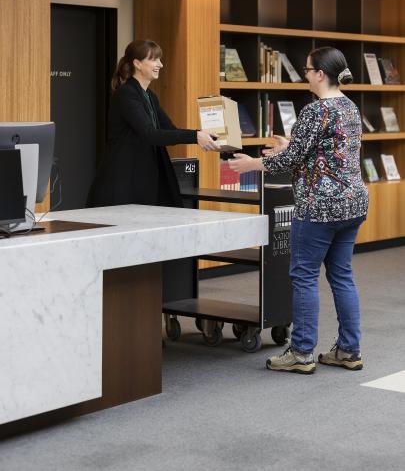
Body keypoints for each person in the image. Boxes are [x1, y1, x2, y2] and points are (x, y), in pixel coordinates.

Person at [229, 46, 368, 375]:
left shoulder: (314, 110)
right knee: (342, 276)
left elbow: (291, 161)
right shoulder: (349, 106)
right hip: (353, 203)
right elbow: (327, 150)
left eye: (307, 70)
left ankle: (302, 353)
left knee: (304, 276)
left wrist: (254, 163)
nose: (304, 75)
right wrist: (288, 145)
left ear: (320, 74)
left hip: (319, 208)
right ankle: (349, 350)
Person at [87, 39, 220, 209]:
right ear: (137, 64)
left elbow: (169, 130)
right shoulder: (126, 94)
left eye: (160, 59)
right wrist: (195, 136)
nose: (161, 64)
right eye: (154, 59)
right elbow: (150, 134)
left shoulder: (149, 95)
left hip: (143, 174)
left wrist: (203, 134)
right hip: (125, 178)